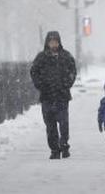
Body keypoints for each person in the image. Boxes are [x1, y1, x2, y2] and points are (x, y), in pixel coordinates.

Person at [30, 31, 77, 159]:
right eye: (51, 41)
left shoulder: (66, 56)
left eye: (55, 41)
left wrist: (66, 84)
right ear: (47, 42)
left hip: (62, 96)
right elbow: (34, 72)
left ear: (59, 42)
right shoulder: (41, 58)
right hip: (47, 97)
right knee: (50, 125)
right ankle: (54, 149)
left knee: (63, 123)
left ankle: (64, 144)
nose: (53, 44)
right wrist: (41, 85)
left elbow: (73, 72)